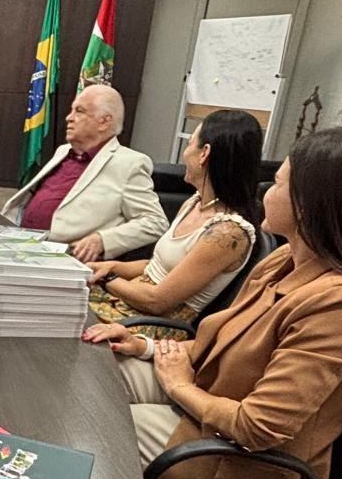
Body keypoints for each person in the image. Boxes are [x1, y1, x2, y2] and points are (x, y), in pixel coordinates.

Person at [83, 127, 342, 479]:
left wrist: (178, 387)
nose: (266, 191)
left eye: (279, 183)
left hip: (237, 466)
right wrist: (144, 348)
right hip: (208, 402)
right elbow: (224, 344)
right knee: (91, 370)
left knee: (93, 425)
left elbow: (257, 427)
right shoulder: (285, 260)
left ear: (309, 205)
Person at [86, 109, 263, 339]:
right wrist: (111, 267)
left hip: (151, 327)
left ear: (204, 153)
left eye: (189, 144)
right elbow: (157, 266)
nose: (185, 153)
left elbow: (156, 301)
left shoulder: (228, 233)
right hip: (130, 304)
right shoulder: (194, 203)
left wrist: (108, 279)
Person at [2, 85, 168, 262]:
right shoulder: (63, 152)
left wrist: (102, 240)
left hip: (64, 258)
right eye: (71, 110)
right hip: (19, 242)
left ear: (104, 122)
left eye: (79, 111)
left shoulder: (129, 163)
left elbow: (155, 222)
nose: (69, 118)